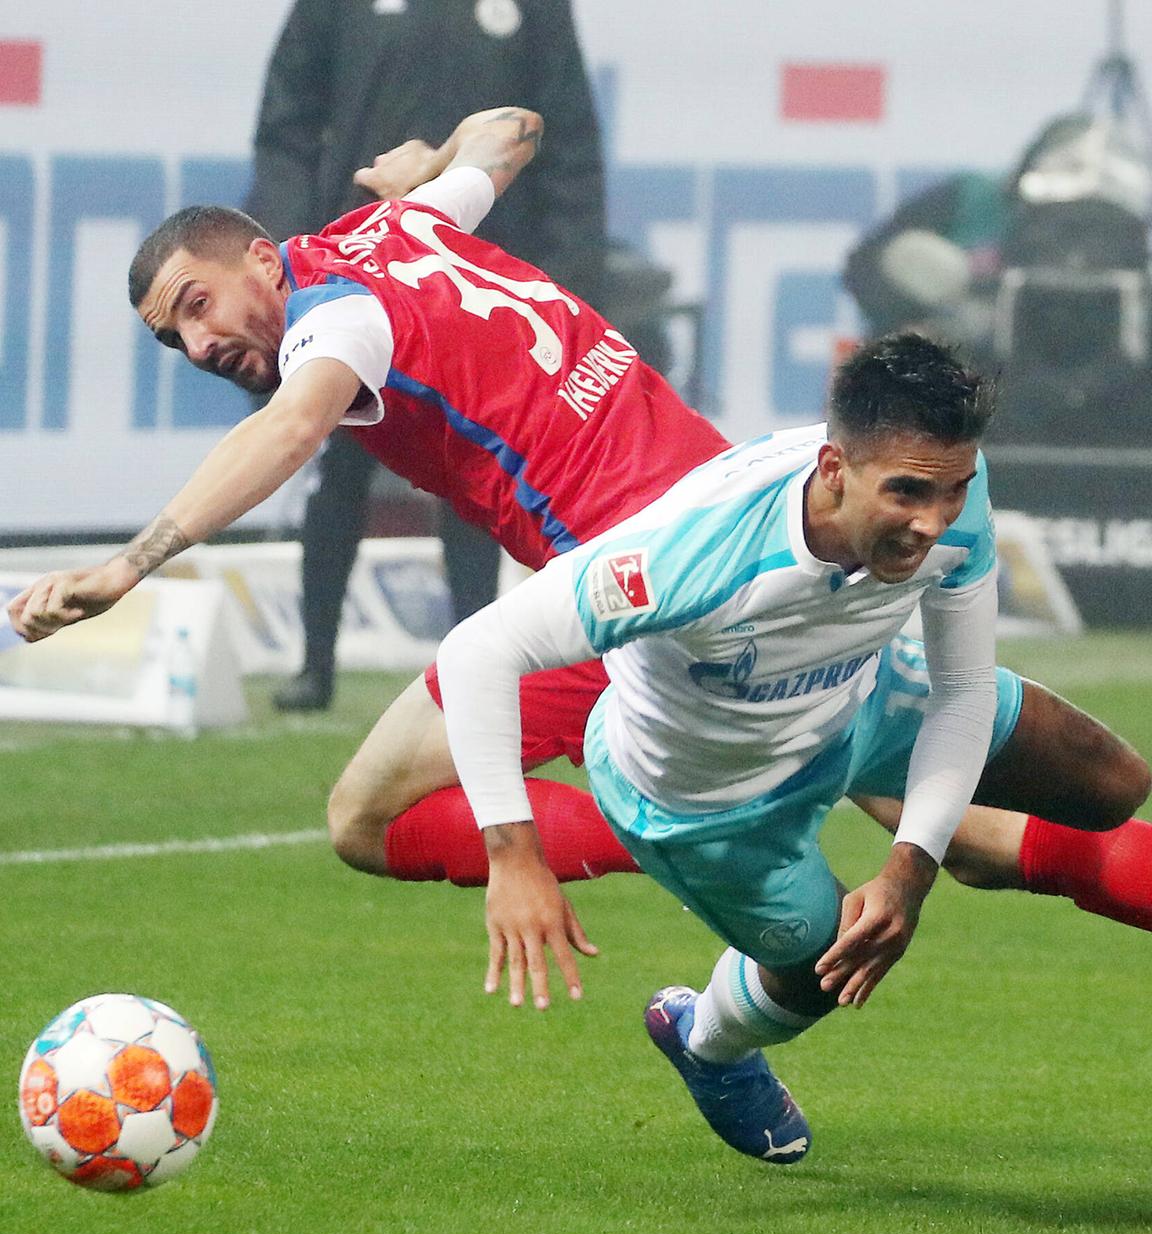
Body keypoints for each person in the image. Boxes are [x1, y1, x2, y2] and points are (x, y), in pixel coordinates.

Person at [7, 108, 1152, 965]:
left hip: (646, 582)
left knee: (366, 816)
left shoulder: (335, 319)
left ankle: (671, 823)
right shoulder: (401, 226)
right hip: (741, 514)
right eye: (173, 338)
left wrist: (130, 562)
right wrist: (436, 168)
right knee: (967, 835)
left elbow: (290, 429)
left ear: (262, 256)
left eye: (198, 304)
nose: (198, 344)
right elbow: (512, 130)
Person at [430, 334, 1144, 1163]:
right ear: (834, 469)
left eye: (950, 493)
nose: (933, 521)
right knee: (821, 972)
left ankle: (975, 856)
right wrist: (515, 859)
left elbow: (962, 691)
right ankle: (706, 1039)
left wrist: (911, 864)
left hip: (867, 694)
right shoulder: (689, 554)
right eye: (909, 493)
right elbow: (479, 651)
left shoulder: (956, 486)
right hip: (708, 796)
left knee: (1110, 782)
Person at [245, 0, 608, 712]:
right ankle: (314, 662)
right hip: (356, 259)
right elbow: (285, 126)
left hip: (485, 279)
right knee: (339, 458)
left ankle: (475, 658)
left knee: (475, 470)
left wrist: (571, 274)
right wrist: (289, 244)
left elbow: (569, 144)